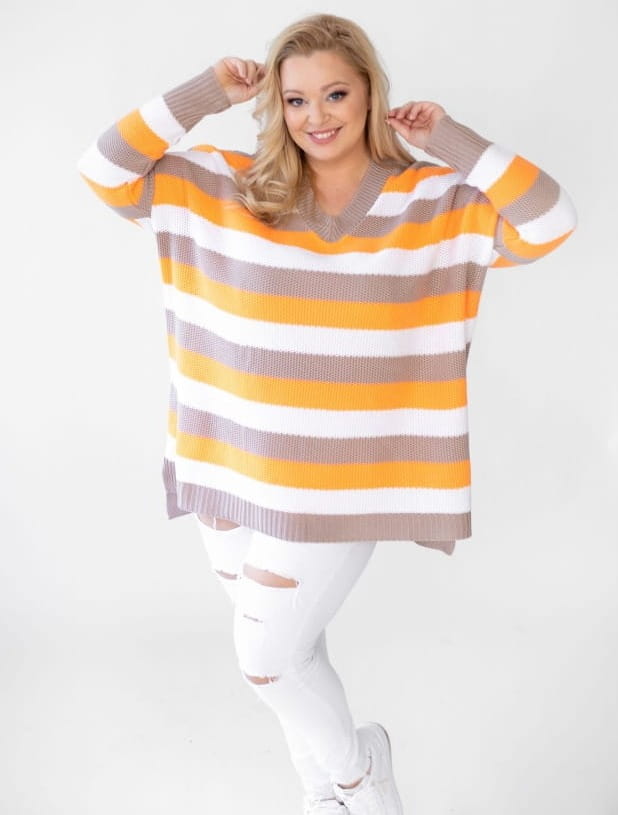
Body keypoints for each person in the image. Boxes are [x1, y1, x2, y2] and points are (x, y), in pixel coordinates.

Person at [76, 12, 577, 814]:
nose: (317, 116)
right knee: (292, 648)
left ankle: (360, 776)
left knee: (266, 657)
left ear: (371, 92)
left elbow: (550, 219)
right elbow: (103, 168)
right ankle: (320, 793)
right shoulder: (226, 184)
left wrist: (449, 139)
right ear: (275, 105)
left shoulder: (432, 201)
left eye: (336, 93)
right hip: (230, 463)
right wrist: (207, 91)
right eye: (297, 98)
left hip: (343, 482)